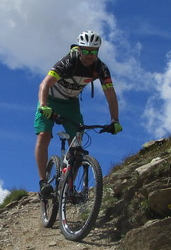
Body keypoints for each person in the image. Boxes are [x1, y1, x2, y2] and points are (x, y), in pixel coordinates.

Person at [35, 30, 121, 197]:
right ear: (80, 49)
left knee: (78, 148)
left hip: (71, 104)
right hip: (50, 100)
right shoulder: (68, 62)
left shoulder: (101, 68)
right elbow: (44, 85)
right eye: (86, 51)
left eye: (93, 51)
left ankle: (68, 187)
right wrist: (44, 106)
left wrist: (115, 120)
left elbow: (111, 95)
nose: (89, 55)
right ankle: (43, 181)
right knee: (44, 135)